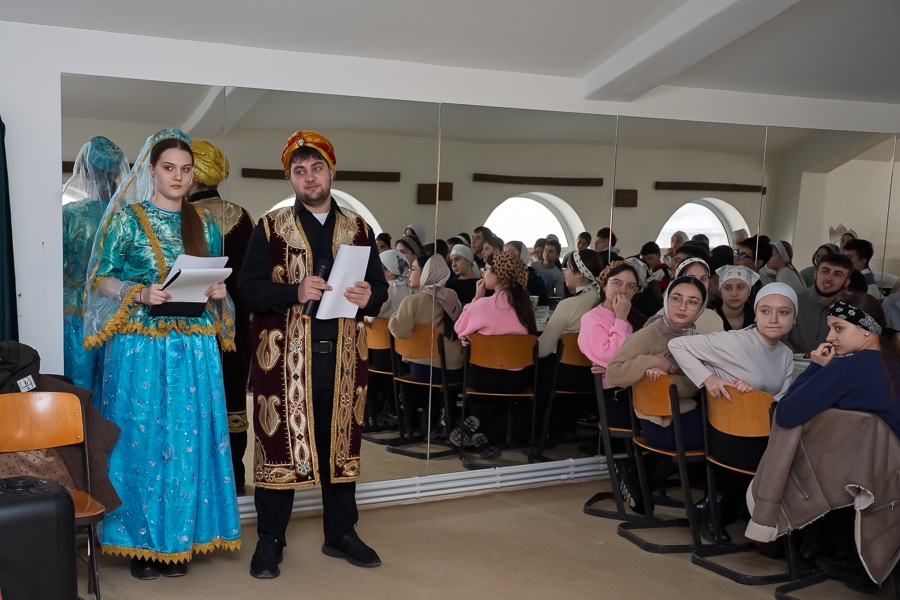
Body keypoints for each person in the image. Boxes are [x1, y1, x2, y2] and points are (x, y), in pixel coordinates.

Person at [83, 128, 239, 578]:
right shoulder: (126, 219)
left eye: (185, 170)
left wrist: (218, 291)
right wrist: (138, 293)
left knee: (189, 441)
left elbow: (213, 282)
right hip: (141, 350)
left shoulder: (206, 224)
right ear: (151, 170)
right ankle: (140, 543)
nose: (178, 176)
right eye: (169, 168)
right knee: (142, 438)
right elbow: (99, 280)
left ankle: (181, 539)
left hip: (194, 349)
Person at [237, 130, 388, 578]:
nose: (309, 178)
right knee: (279, 445)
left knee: (340, 445)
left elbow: (380, 289)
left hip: (345, 359)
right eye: (299, 171)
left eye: (316, 168)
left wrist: (370, 296)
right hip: (285, 361)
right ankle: (270, 540)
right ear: (291, 178)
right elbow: (247, 289)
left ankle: (341, 533)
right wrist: (294, 291)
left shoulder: (359, 228)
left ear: (331, 171)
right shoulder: (271, 227)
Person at [775, 293, 900, 591]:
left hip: (867, 482)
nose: (830, 336)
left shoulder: (845, 369)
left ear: (866, 330)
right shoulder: (893, 364)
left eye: (839, 328)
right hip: (888, 480)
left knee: (809, 455)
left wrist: (817, 366)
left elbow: (785, 414)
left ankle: (810, 545)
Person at [669, 283, 797, 540]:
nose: (773, 319)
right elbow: (677, 344)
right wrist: (708, 379)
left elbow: (780, 401)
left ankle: (737, 507)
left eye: (783, 312)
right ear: (755, 314)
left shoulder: (785, 354)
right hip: (728, 436)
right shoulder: (734, 340)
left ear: (794, 319)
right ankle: (720, 507)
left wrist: (755, 398)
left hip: (762, 433)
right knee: (795, 461)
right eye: (765, 311)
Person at [605, 276, 708, 513]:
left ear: (701, 308)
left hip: (683, 413)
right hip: (658, 421)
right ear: (666, 299)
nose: (683, 307)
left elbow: (692, 387)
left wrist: (667, 380)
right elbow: (613, 373)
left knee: (722, 427)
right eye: (676, 299)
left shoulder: (695, 340)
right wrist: (651, 361)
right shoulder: (651, 334)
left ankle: (637, 472)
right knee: (720, 432)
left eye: (692, 302)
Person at [188, 139, 255, 496]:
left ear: (194, 175)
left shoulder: (183, 215)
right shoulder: (243, 216)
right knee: (232, 392)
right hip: (238, 321)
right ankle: (235, 476)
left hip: (194, 320)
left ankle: (201, 480)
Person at [61, 136, 129, 398]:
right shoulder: (127, 216)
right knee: (110, 384)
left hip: (75, 312)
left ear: (86, 171)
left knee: (77, 384)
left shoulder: (71, 214)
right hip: (116, 311)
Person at [453, 252, 537, 452]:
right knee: (500, 390)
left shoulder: (483, 304)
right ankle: (487, 435)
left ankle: (478, 423)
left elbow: (459, 327)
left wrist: (476, 298)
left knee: (482, 383)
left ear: (499, 275)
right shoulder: (525, 306)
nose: (483, 274)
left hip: (483, 378)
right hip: (516, 379)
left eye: (486, 269)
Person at [576, 260, 645, 427]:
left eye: (630, 286)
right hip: (617, 395)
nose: (623, 290)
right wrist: (620, 319)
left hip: (640, 388)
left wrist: (616, 369)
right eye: (617, 283)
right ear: (604, 285)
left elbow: (646, 353)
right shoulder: (592, 318)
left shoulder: (636, 317)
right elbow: (613, 355)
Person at [788, 253, 853, 354]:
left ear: (846, 283)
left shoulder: (847, 312)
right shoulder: (792, 302)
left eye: (837, 274)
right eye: (825, 271)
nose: (829, 278)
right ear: (815, 274)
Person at [659, 258, 723, 335]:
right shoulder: (658, 321)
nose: (698, 283)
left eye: (703, 279)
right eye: (690, 278)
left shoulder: (714, 318)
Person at [504, 240, 550, 306]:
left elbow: (543, 306)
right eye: (504, 253)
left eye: (511, 252)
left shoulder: (536, 281)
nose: (507, 256)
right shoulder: (501, 279)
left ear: (522, 254)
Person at [714, 265, 758, 331]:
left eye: (740, 287)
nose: (734, 294)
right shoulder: (707, 317)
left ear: (749, 291)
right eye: (728, 288)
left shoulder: (758, 319)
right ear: (720, 292)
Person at [376, 250, 412, 319]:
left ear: (389, 271)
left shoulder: (388, 288)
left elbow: (374, 313)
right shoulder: (408, 285)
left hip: (386, 325)